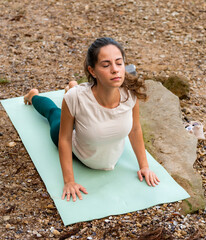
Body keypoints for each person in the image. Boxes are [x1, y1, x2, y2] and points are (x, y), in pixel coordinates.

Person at [23, 37, 160, 202]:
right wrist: (69, 181)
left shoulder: (130, 94)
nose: (115, 70)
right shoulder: (75, 99)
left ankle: (72, 86)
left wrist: (144, 167)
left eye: (119, 63)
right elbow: (65, 139)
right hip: (75, 141)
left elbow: (135, 129)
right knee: (53, 113)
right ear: (92, 71)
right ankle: (33, 96)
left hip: (87, 115)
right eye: (106, 65)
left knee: (77, 97)